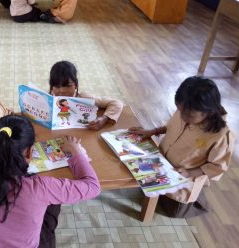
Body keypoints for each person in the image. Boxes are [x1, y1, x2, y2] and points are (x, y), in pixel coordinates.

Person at [0, 115, 101, 247]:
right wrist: (76, 151)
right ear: (30, 152)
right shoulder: (42, 187)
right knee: (53, 202)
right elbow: (93, 186)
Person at [129, 76, 235, 218]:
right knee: (142, 187)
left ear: (209, 111)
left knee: (172, 210)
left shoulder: (221, 135)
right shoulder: (185, 110)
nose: (183, 117)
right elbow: (170, 126)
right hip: (160, 164)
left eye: (190, 115)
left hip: (181, 178)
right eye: (179, 110)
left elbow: (218, 166)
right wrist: (153, 132)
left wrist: (190, 173)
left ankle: (197, 200)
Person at [49, 60, 123, 130]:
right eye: (57, 86)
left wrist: (104, 118)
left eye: (68, 86)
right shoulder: (47, 97)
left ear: (76, 84)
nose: (62, 91)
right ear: (52, 86)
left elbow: (116, 103)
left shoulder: (85, 97)